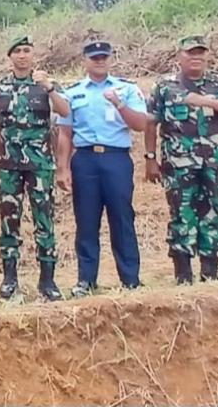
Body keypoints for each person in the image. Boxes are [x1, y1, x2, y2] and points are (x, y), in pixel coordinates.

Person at [145, 35, 218, 284]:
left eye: (200, 52)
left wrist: (205, 101)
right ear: (180, 56)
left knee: (213, 215)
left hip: (216, 163)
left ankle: (210, 274)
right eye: (190, 52)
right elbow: (150, 122)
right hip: (178, 165)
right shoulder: (166, 86)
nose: (196, 57)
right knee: (182, 216)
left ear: (207, 56)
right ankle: (183, 276)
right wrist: (150, 158)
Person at [56, 41, 149, 297]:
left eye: (103, 57)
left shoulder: (126, 89)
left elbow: (140, 124)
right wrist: (62, 168)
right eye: (94, 57)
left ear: (111, 59)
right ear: (84, 61)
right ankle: (86, 280)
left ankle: (130, 279)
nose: (99, 61)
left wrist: (120, 104)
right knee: (86, 220)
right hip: (85, 159)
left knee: (122, 218)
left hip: (116, 159)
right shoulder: (73, 92)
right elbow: (65, 133)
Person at [0, 36, 70, 301]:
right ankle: (10, 278)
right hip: (9, 165)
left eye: (27, 51)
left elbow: (65, 112)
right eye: (17, 51)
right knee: (9, 222)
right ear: (10, 57)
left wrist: (50, 88)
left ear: (33, 55)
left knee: (44, 221)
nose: (22, 55)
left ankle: (48, 280)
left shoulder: (45, 84)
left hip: (40, 165)